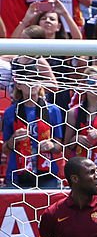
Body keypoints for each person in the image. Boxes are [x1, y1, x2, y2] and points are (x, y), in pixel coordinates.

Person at [2, 56, 63, 189]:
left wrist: (51, 145)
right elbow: (5, 149)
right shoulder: (10, 112)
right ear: (18, 85)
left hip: (46, 174)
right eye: (27, 80)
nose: (32, 83)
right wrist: (13, 139)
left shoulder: (53, 110)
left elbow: (60, 147)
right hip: (17, 174)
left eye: (35, 79)